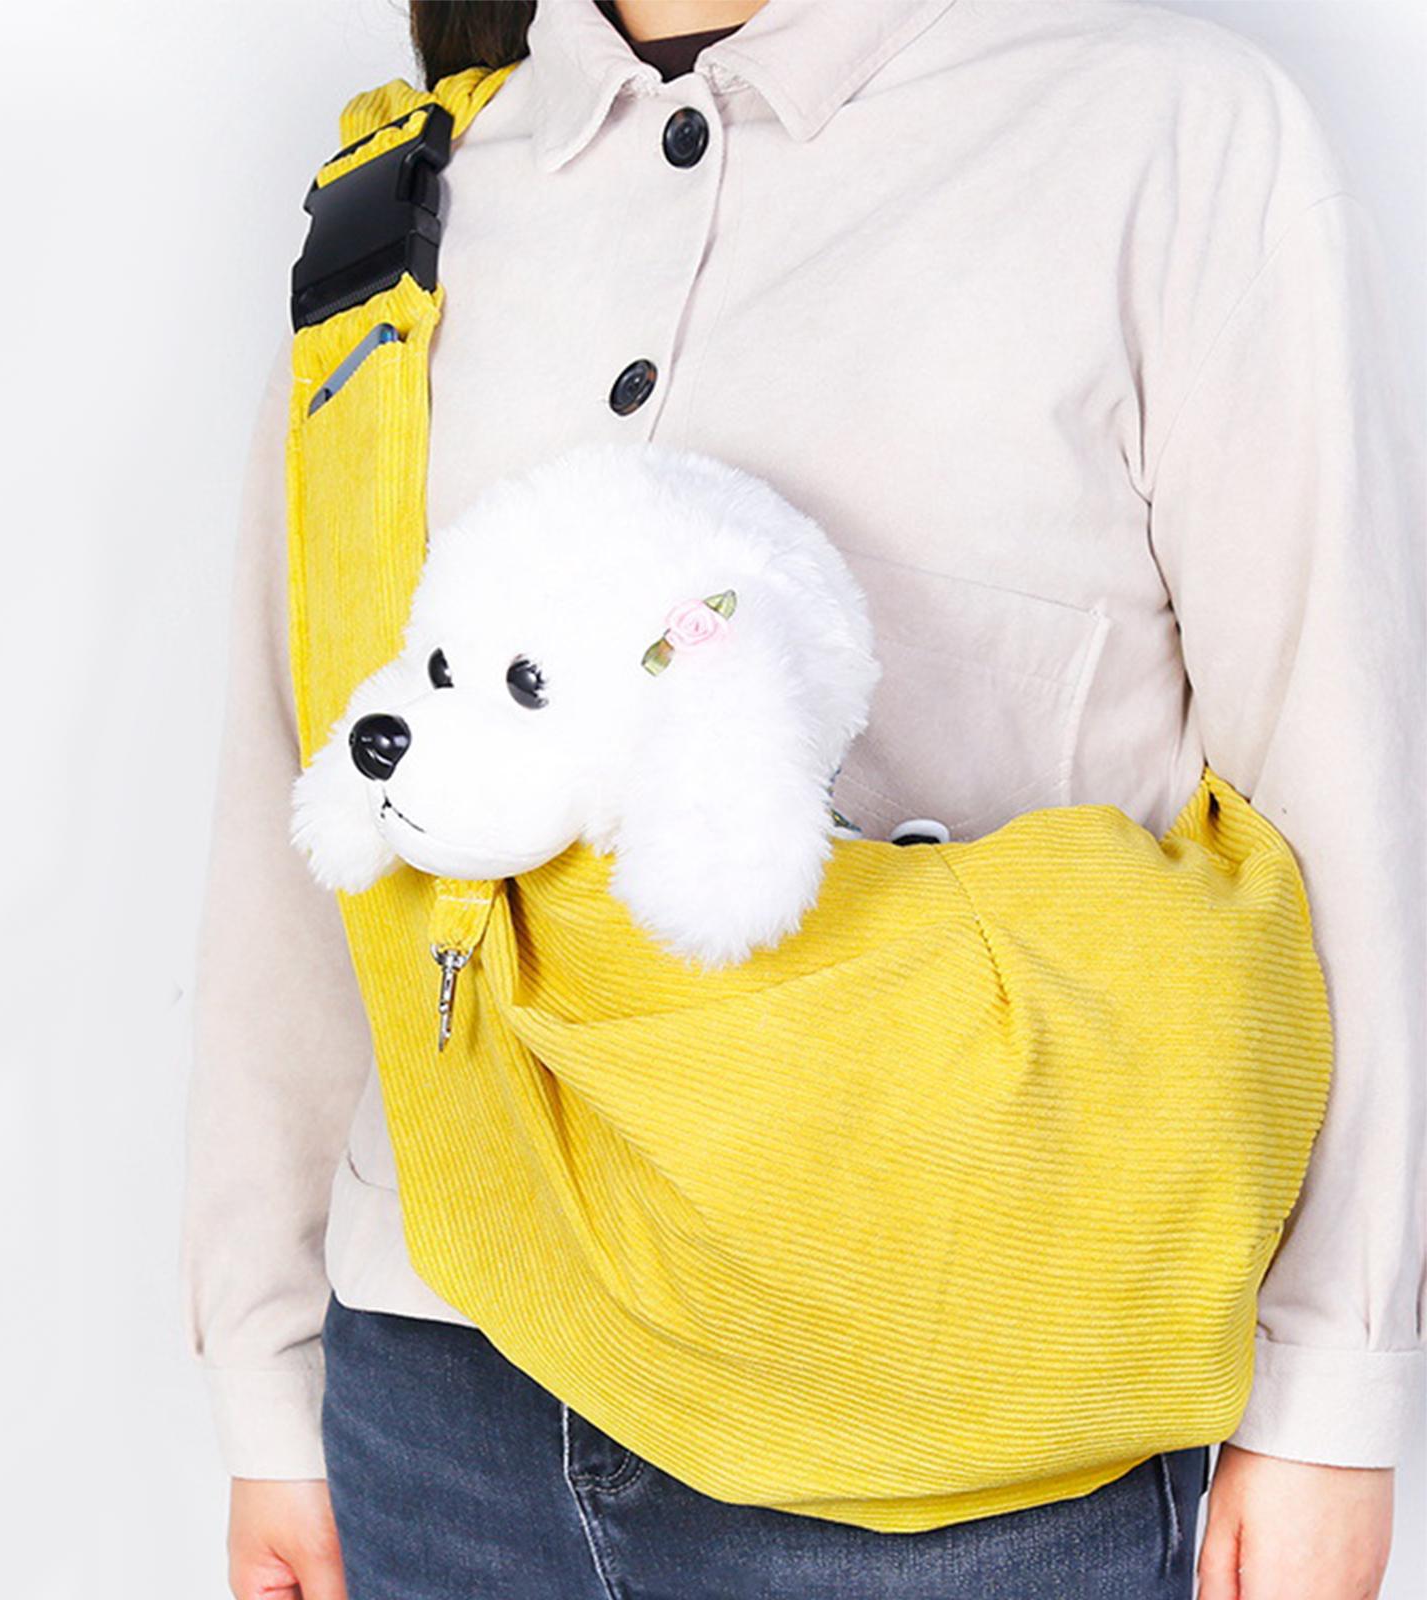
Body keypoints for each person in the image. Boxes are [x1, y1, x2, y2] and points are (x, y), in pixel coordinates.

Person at [182, 1, 1424, 1596]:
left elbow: (1339, 790)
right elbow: (302, 812)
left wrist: (1333, 1395)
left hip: (966, 1416)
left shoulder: (1164, 134)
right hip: (443, 1405)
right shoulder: (412, 203)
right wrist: (270, 1386)